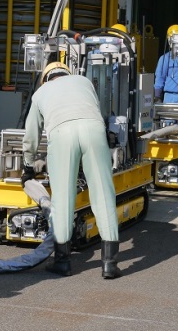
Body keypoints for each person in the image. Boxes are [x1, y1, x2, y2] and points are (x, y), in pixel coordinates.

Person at [21, 61, 122, 279]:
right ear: (67, 73)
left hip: (62, 134)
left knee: (63, 199)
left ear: (46, 78)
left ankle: (62, 262)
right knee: (104, 195)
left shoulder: (40, 93)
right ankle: (110, 265)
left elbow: (31, 136)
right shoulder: (84, 82)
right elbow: (98, 111)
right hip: (94, 130)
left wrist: (28, 166)